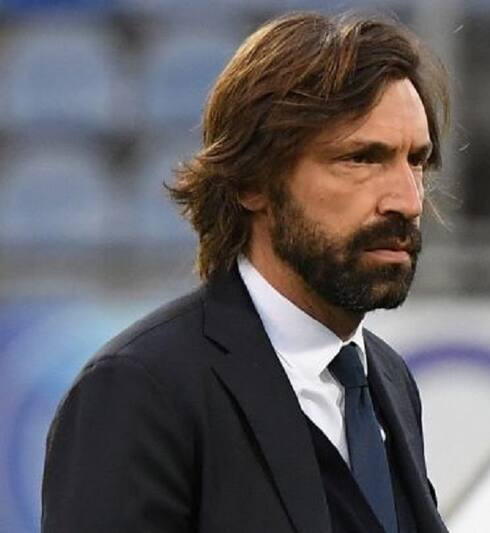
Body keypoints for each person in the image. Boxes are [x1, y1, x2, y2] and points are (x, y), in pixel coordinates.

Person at [41, 11, 449, 533]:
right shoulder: (141, 390)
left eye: (416, 161)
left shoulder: (387, 380)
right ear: (252, 181)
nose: (408, 201)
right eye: (361, 159)